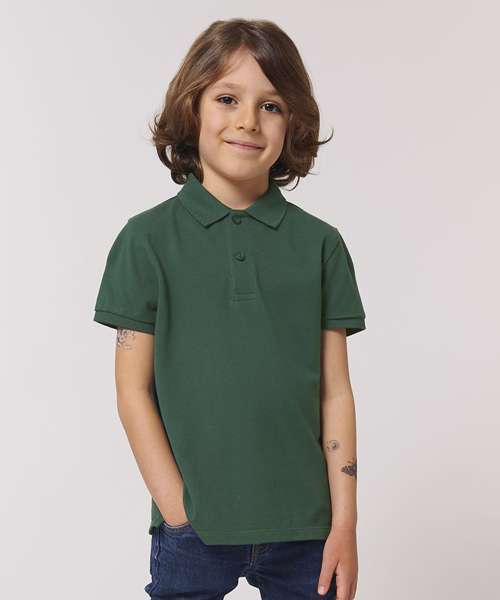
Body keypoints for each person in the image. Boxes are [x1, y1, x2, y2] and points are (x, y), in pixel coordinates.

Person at [93, 18, 366, 600]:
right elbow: (132, 390)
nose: (248, 120)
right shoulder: (146, 241)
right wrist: (177, 509)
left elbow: (335, 392)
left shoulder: (321, 246)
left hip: (307, 528)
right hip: (193, 527)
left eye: (271, 105)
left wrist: (344, 523)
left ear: (292, 121)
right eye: (227, 99)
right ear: (192, 107)